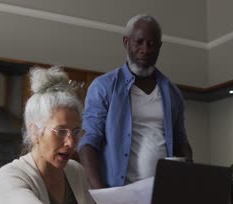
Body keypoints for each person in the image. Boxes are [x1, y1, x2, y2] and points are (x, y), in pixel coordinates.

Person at [0, 66, 146, 204]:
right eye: (61, 131)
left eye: (76, 132)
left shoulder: (76, 171)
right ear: (35, 132)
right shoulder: (10, 176)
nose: (70, 142)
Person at [79, 14, 193, 189]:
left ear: (159, 47)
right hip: (119, 193)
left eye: (152, 44)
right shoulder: (104, 87)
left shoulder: (172, 92)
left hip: (164, 192)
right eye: (139, 42)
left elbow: (181, 142)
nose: (145, 49)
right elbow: (88, 143)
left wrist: (190, 173)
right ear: (126, 42)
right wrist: (100, 196)